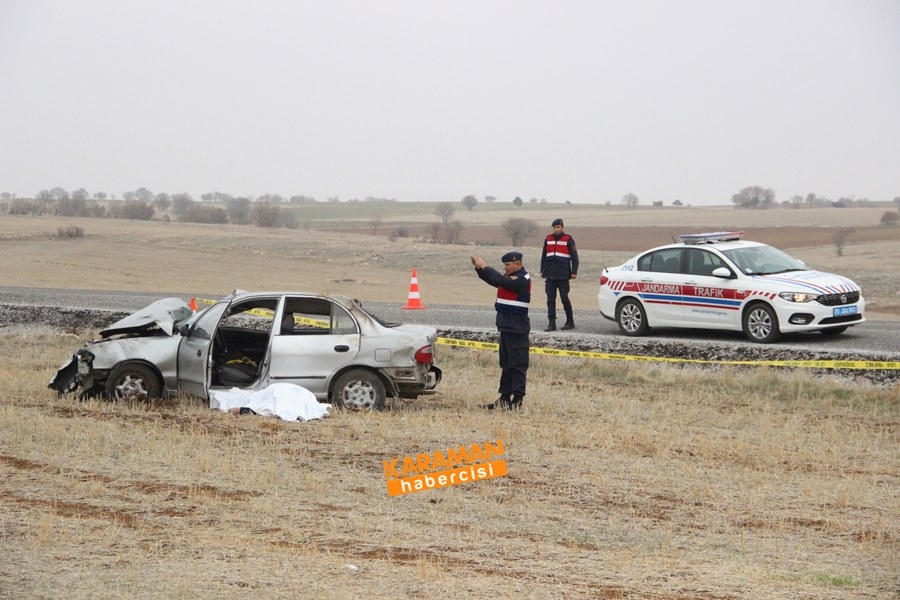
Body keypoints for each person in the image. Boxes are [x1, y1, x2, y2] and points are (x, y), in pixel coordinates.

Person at [470, 251, 531, 410]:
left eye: (508, 265)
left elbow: (499, 279)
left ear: (518, 264)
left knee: (518, 365)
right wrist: (479, 269)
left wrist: (485, 266)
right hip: (505, 327)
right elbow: (493, 280)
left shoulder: (521, 279)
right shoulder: (508, 278)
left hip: (517, 328)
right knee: (506, 364)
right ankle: (504, 397)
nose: (506, 267)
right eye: (505, 265)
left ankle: (517, 400)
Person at [540, 218, 579, 331]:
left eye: (558, 227)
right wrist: (542, 270)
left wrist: (574, 271)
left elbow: (574, 257)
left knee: (564, 298)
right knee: (550, 299)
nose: (556, 229)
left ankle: (570, 322)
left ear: (562, 227)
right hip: (550, 275)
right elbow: (544, 256)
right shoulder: (548, 239)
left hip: (563, 275)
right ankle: (551, 323)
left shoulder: (568, 239)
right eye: (555, 227)